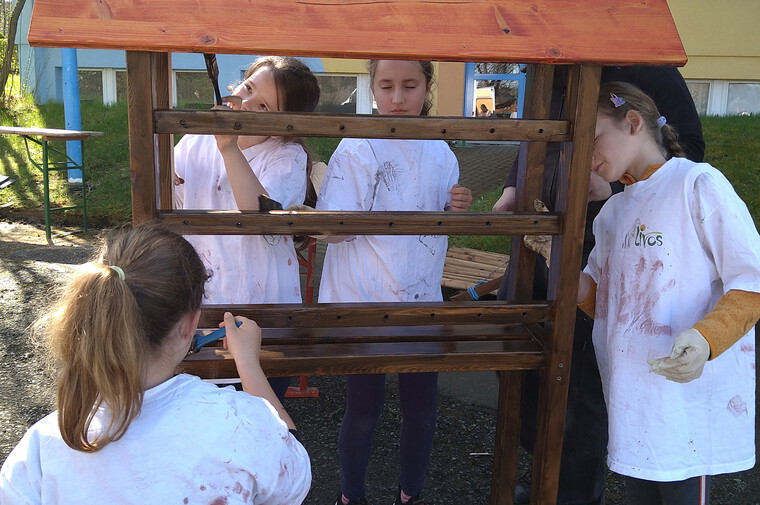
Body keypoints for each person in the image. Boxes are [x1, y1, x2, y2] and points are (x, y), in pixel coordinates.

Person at [493, 65, 706, 505]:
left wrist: (616, 183)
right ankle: (544, 476)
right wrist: (515, 185)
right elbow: (537, 134)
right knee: (522, 366)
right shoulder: (549, 66)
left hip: (600, 242)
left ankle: (574, 493)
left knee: (581, 380)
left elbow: (684, 150)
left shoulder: (645, 61)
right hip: (538, 240)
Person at [0, 225, 311, 505]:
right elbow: (293, 473)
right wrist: (248, 363)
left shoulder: (39, 449)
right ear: (190, 324)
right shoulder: (242, 422)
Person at [568, 81, 760, 505]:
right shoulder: (612, 212)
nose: (587, 155)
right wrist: (559, 264)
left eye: (593, 139)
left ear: (632, 122)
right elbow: (602, 302)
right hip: (631, 401)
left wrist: (707, 339)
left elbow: (752, 280)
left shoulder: (698, 184)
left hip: (685, 406)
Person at [315, 59, 473, 505]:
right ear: (372, 87)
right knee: (363, 406)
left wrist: (457, 205)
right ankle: (351, 496)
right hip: (362, 300)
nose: (398, 98)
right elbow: (333, 229)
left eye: (409, 85)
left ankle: (411, 494)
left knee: (422, 407)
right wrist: (329, 222)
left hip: (422, 298)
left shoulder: (441, 149)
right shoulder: (357, 144)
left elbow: (441, 216)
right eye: (386, 86)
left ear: (427, 86)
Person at [173, 55, 321, 401]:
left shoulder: (286, 156)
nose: (247, 104)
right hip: (204, 292)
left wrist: (228, 148)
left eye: (264, 107)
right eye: (248, 88)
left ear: (285, 125)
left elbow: (259, 216)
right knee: (203, 399)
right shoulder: (197, 140)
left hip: (262, 300)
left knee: (257, 403)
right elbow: (173, 191)